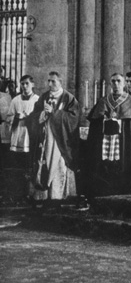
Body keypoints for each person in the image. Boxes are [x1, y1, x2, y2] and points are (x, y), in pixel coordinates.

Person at [86, 73, 131, 198]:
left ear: (124, 84)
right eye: (113, 81)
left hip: (123, 144)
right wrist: (103, 120)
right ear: (110, 84)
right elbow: (95, 123)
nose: (116, 84)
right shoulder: (103, 100)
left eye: (119, 81)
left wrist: (121, 123)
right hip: (105, 143)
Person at [27, 71, 82, 204]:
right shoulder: (44, 97)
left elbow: (74, 119)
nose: (50, 84)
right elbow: (33, 116)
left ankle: (58, 195)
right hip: (45, 138)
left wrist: (55, 113)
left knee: (59, 165)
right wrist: (42, 115)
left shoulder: (68, 98)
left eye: (53, 81)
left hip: (60, 140)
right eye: (49, 81)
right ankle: (43, 195)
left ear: (60, 82)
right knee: (44, 161)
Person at [7, 75, 39, 156]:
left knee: (30, 155)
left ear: (32, 84)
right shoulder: (15, 100)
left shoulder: (37, 100)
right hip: (18, 132)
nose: (24, 86)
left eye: (27, 83)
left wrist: (28, 117)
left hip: (30, 132)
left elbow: (40, 117)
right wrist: (15, 117)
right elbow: (8, 117)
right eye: (22, 84)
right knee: (18, 157)